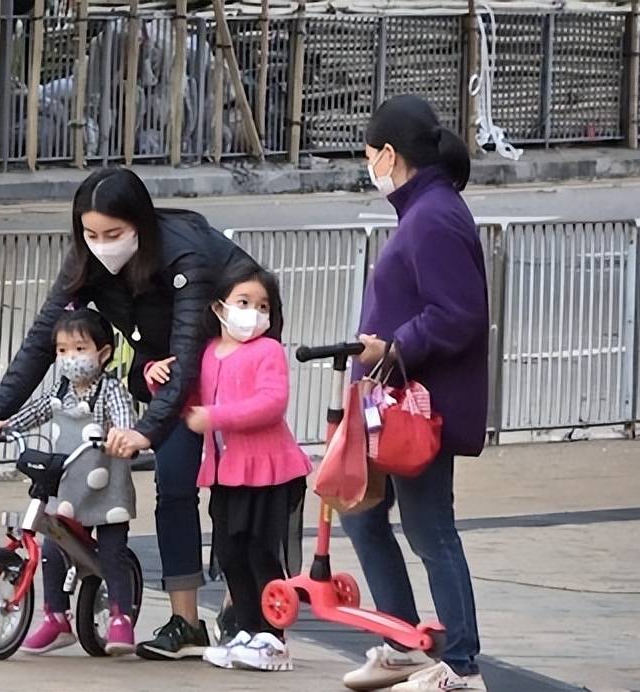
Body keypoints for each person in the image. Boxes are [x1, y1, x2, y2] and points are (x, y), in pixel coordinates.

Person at [0, 167, 261, 661]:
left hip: (234, 363)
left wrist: (144, 430)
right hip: (168, 370)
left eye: (114, 234)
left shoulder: (184, 253)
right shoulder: (87, 263)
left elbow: (190, 355)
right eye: (91, 234)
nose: (102, 245)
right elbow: (44, 338)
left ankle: (244, 606)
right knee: (174, 486)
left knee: (235, 490)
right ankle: (186, 622)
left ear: (140, 226)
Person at [340, 95, 489, 692]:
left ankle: (462, 665)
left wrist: (394, 347)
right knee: (364, 516)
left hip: (417, 408)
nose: (368, 165)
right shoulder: (425, 210)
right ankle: (404, 643)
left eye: (369, 154)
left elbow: (459, 314)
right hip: (394, 402)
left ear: (389, 154)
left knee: (430, 530)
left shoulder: (433, 216)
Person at [146, 262, 310, 672]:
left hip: (270, 472)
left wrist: (216, 416)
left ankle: (273, 637)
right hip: (226, 473)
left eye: (262, 305)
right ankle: (247, 629)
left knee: (262, 552)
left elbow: (271, 404)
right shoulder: (208, 354)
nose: (253, 312)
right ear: (219, 308)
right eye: (244, 302)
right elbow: (193, 403)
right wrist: (156, 378)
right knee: (230, 551)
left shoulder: (267, 351)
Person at [0, 308, 140, 656]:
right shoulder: (61, 389)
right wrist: (5, 426)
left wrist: (122, 433)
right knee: (53, 549)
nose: (70, 358)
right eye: (62, 351)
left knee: (113, 553)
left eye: (80, 349)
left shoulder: (109, 391)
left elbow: (125, 419)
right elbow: (37, 411)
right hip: (69, 485)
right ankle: (56, 618)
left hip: (106, 489)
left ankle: (120, 616)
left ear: (102, 353)